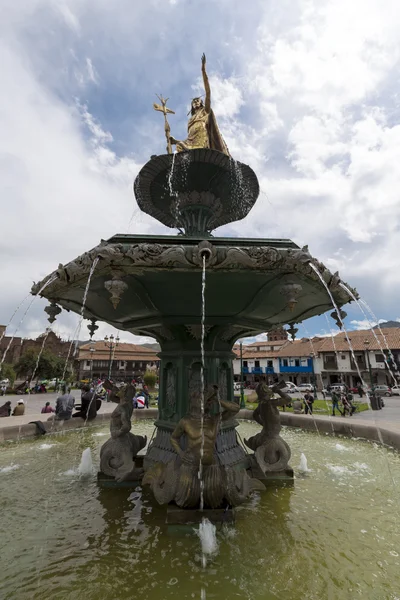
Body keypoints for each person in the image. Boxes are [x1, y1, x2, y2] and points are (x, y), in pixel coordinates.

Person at [170, 54, 229, 156]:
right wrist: (175, 141)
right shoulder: (191, 119)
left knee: (198, 151)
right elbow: (189, 138)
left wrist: (203, 70)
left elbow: (208, 92)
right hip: (191, 139)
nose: (196, 102)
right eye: (194, 102)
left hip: (201, 135)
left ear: (201, 103)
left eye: (198, 101)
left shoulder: (205, 111)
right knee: (179, 146)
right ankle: (185, 150)